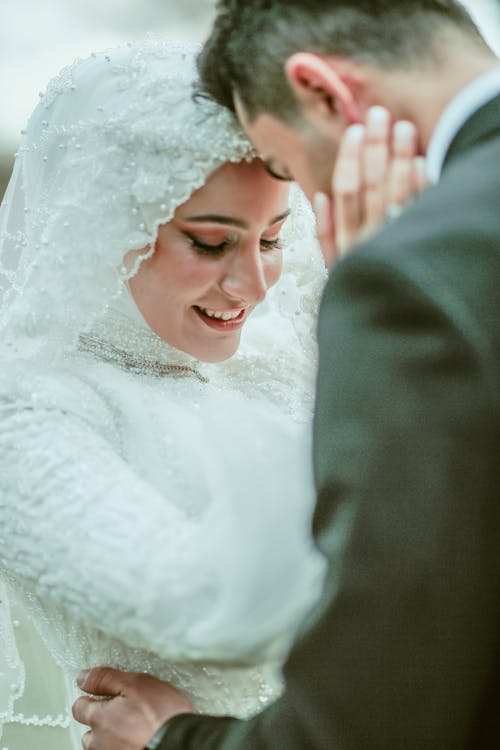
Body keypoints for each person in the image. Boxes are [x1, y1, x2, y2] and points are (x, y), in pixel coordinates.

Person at [73, 1, 500, 748]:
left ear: (324, 94)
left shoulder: (411, 280)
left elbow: (371, 722)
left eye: (290, 171)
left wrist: (171, 736)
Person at [0, 38, 332, 750]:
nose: (255, 284)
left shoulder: (283, 348)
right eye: (211, 243)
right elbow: (211, 609)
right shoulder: (24, 412)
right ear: (102, 230)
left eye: (272, 239)